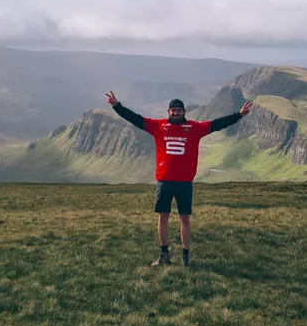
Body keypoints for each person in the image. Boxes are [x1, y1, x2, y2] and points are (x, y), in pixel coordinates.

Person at [105, 91, 253, 267]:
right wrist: (117, 106)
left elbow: (218, 124)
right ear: (168, 112)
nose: (175, 113)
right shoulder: (158, 126)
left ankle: (185, 258)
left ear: (184, 112)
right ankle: (164, 256)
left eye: (179, 110)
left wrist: (239, 115)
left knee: (185, 219)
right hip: (164, 182)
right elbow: (135, 119)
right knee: (163, 218)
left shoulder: (195, 128)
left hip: (184, 183)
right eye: (173, 110)